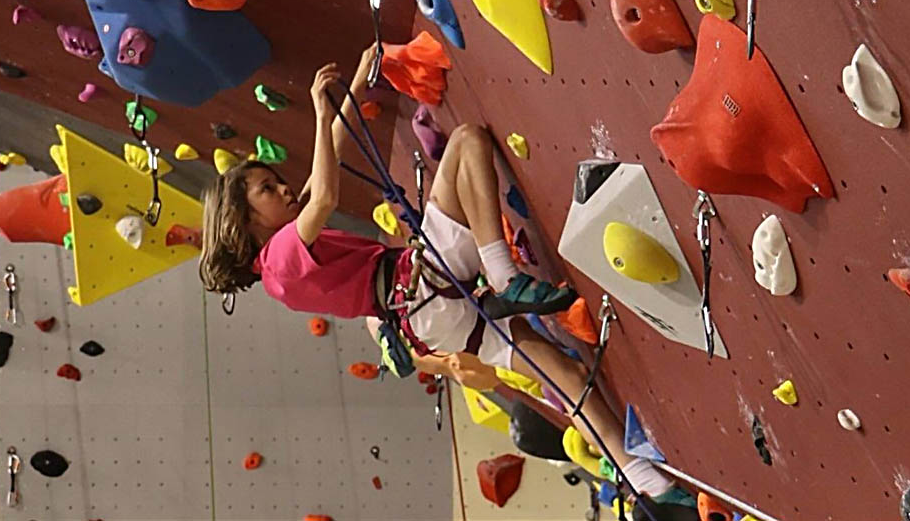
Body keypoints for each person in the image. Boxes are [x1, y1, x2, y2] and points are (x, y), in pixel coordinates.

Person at [199, 44, 684, 504]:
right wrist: (323, 113)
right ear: (245, 220)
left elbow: (330, 159)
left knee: (565, 371)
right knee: (468, 141)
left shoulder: (285, 251)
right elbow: (323, 193)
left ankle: (645, 481)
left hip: (429, 316)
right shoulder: (280, 260)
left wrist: (354, 93)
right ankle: (501, 275)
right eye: (267, 188)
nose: (283, 189)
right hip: (421, 289)